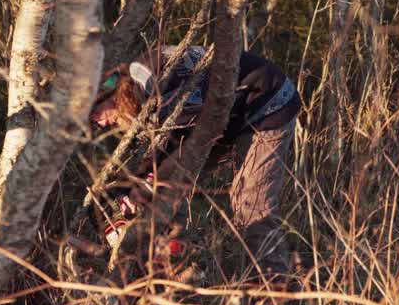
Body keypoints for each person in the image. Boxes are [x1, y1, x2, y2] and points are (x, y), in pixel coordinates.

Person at [89, 45, 300, 277]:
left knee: (250, 203)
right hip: (223, 115)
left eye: (93, 113)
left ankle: (275, 287)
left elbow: (184, 139)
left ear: (108, 93)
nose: (97, 124)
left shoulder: (151, 82)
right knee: (168, 187)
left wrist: (147, 184)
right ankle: (173, 266)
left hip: (266, 103)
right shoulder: (140, 91)